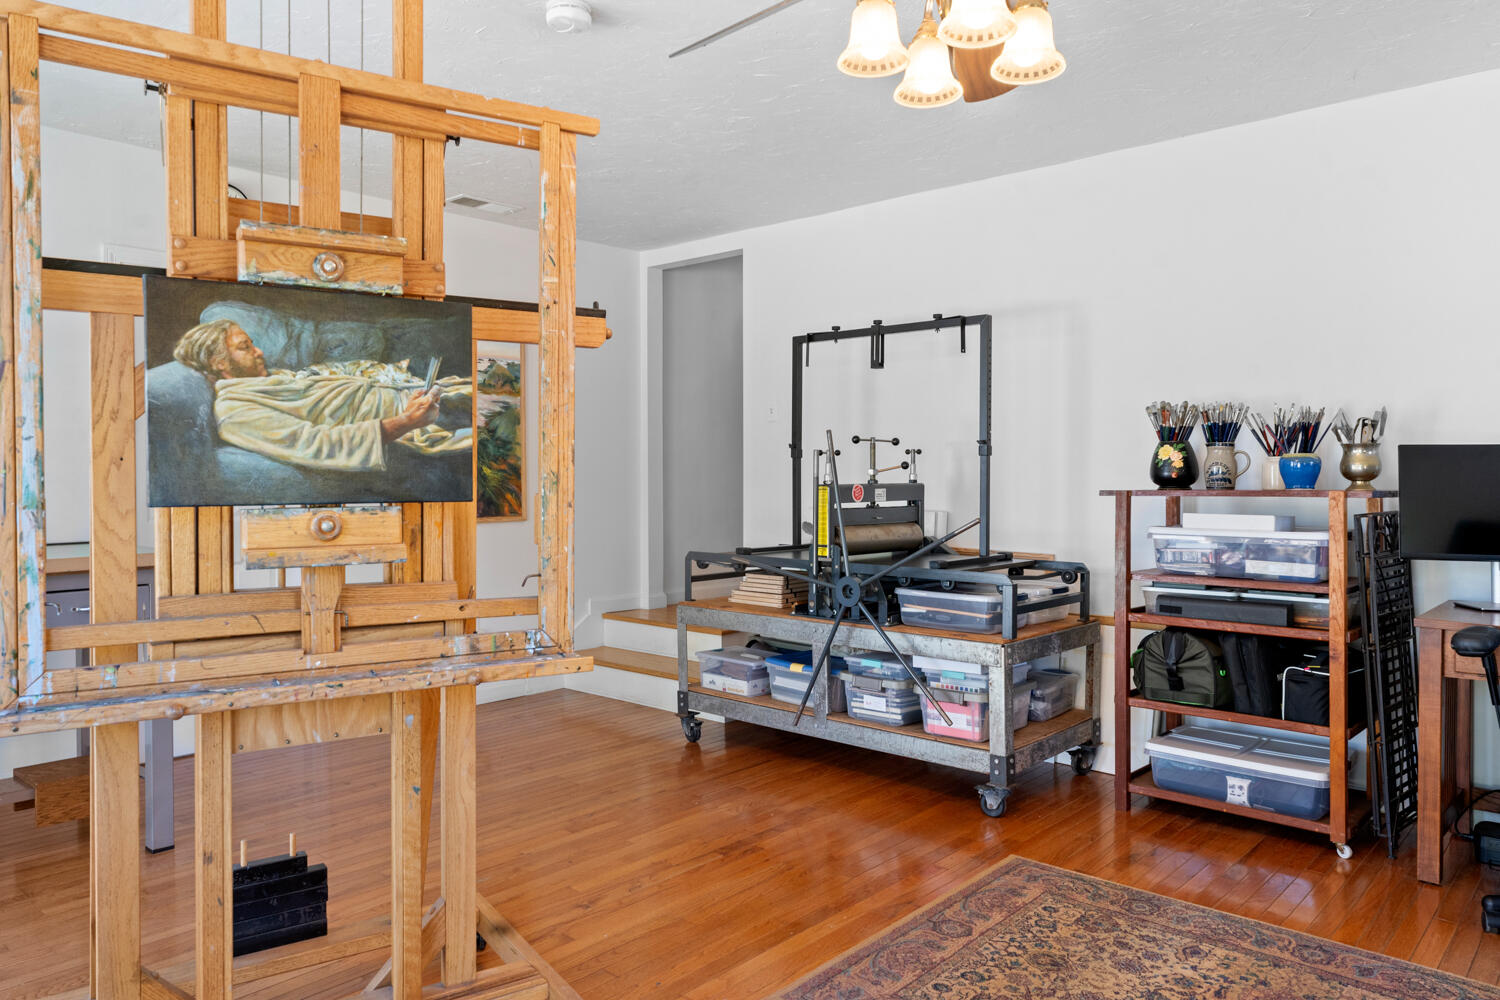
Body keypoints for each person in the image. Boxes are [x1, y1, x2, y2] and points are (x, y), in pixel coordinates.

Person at [172, 318, 471, 473]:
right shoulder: (235, 413)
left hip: (417, 395)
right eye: (245, 347)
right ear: (219, 363)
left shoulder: (270, 378)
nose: (258, 351)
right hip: (419, 422)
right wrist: (408, 421)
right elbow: (316, 444)